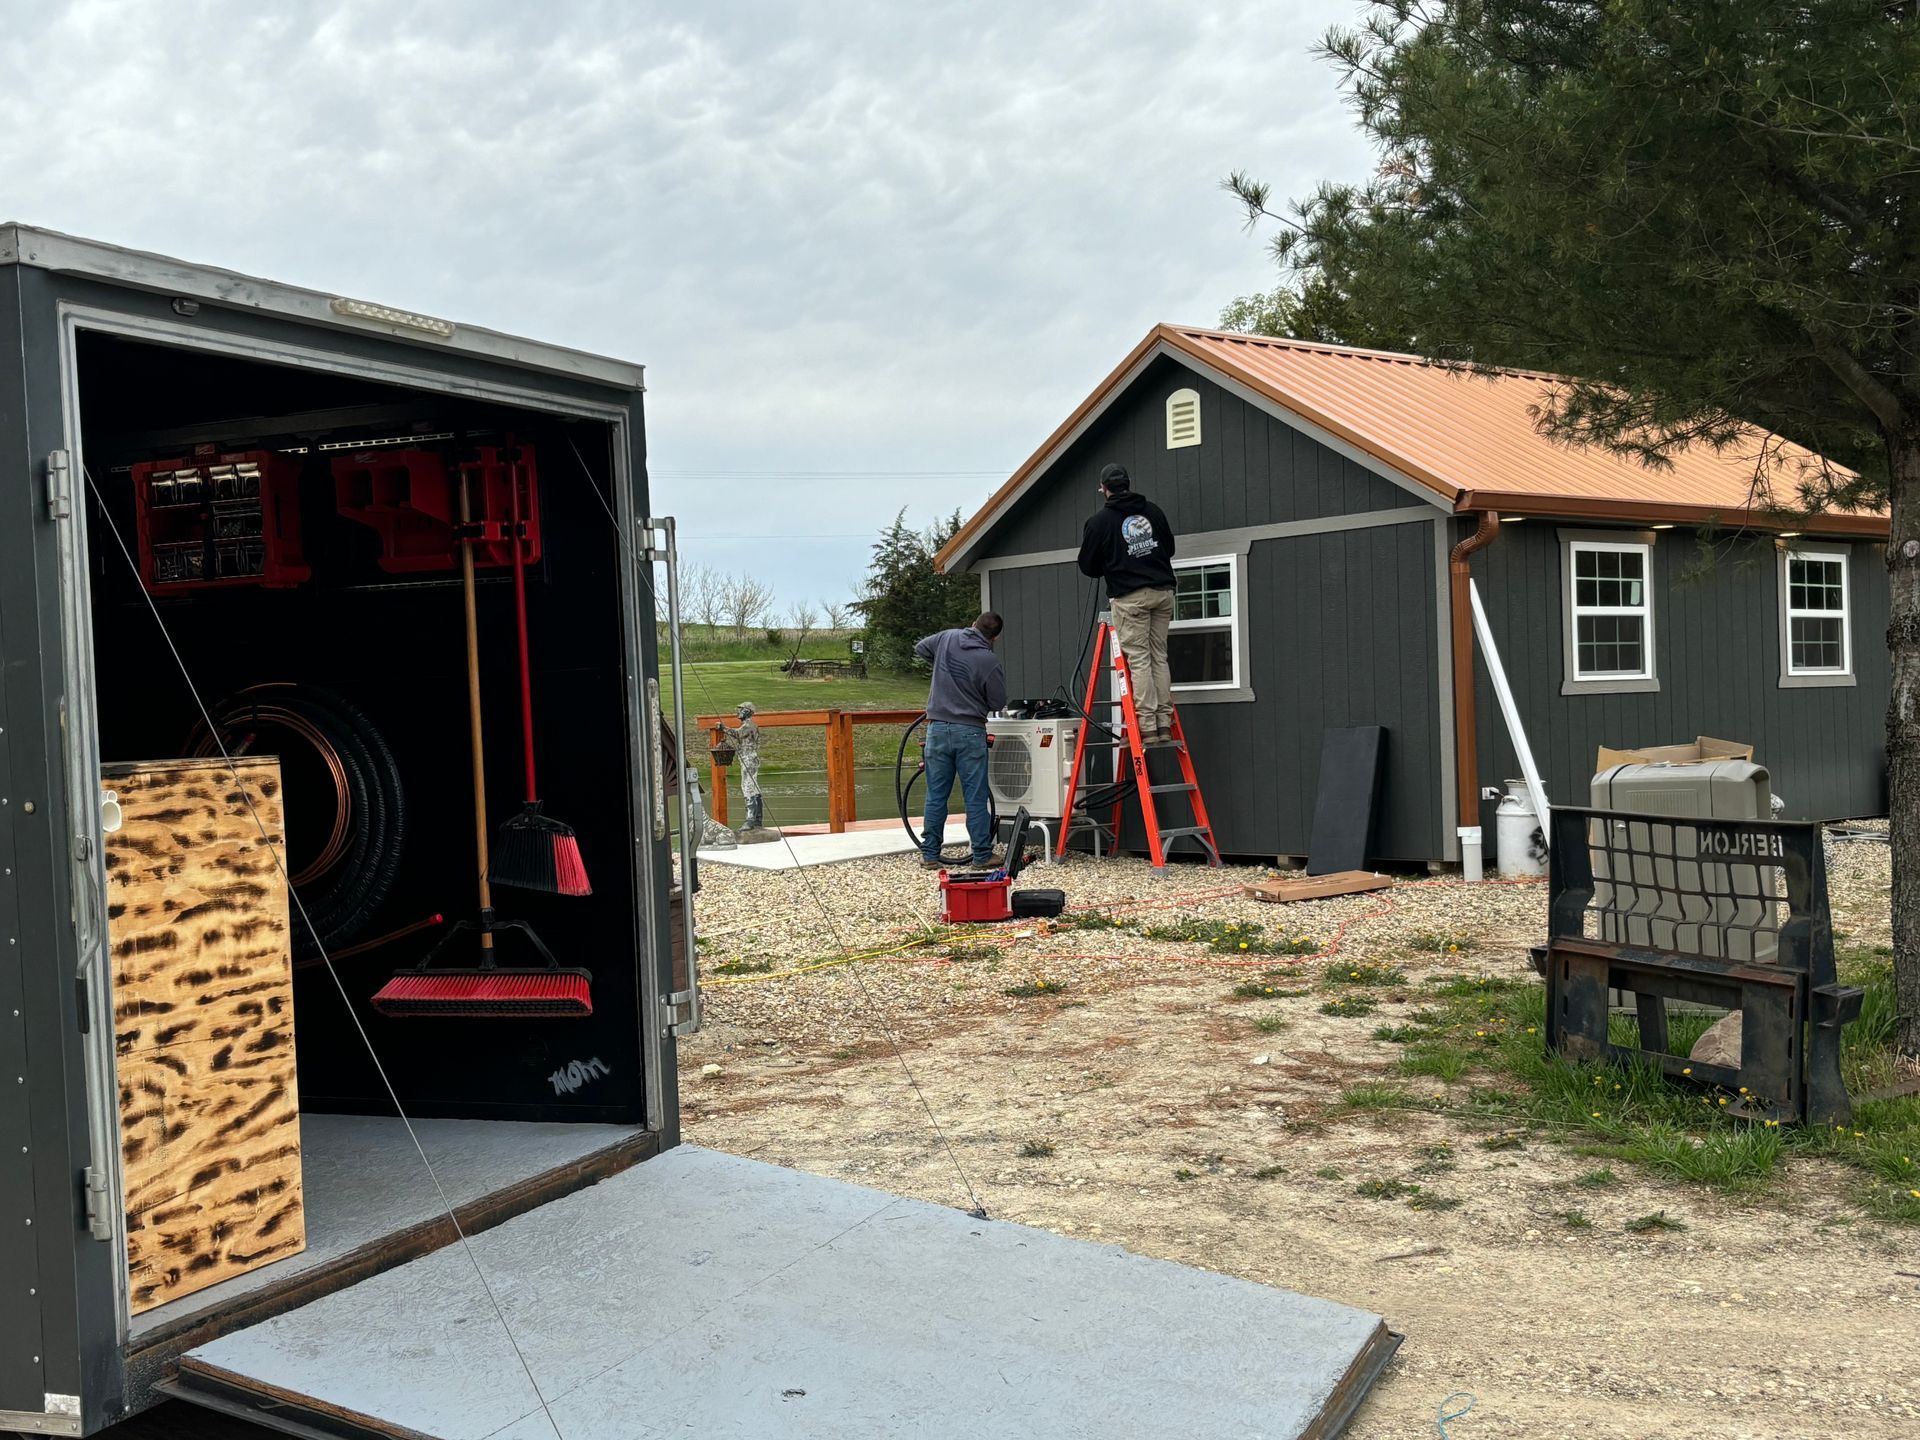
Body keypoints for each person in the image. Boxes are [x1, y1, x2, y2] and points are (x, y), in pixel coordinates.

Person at [1077, 462, 1177, 743]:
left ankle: (1147, 727)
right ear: (1128, 484)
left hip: (1130, 597)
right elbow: (1168, 548)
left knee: (1140, 660)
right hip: (1162, 592)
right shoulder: (1153, 511)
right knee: (1159, 656)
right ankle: (1164, 723)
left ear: (1104, 488)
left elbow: (1088, 566)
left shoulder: (1099, 522)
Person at [913, 612, 1007, 868]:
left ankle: (930, 855)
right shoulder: (989, 661)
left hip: (937, 730)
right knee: (975, 796)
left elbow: (921, 647)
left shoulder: (946, 638)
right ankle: (981, 855)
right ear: (995, 637)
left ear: (973, 624)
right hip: (970, 731)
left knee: (936, 795)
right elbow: (998, 702)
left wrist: (942, 668)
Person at [723, 701, 765, 831]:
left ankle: (750, 820)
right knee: (754, 788)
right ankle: (757, 819)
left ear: (747, 711)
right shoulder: (750, 725)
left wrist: (722, 728)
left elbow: (737, 734)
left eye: (740, 710)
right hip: (749, 759)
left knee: (748, 787)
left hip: (749, 759)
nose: (738, 712)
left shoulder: (748, 725)